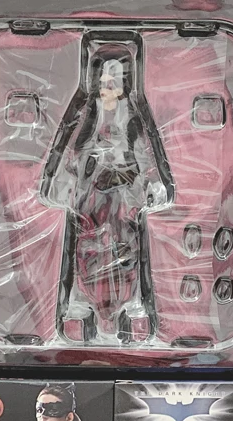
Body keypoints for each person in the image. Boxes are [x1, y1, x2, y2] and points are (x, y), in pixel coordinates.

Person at [42, 39, 172, 342]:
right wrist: (61, 186)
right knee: (87, 247)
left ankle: (128, 303)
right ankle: (84, 302)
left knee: (127, 248)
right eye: (104, 79)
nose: (108, 85)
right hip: (92, 199)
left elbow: (146, 155)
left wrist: (154, 185)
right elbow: (71, 155)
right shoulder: (87, 116)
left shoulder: (133, 118)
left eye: (115, 79)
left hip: (124, 198)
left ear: (125, 82)